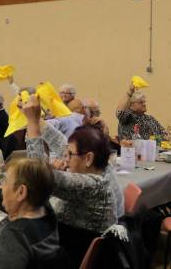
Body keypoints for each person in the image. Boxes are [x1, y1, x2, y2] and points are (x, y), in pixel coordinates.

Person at [22, 95, 123, 267]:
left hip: (71, 257)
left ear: (88, 158)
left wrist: (32, 123)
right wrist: (38, 119)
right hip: (68, 246)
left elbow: (35, 176)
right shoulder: (100, 168)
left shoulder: (93, 184)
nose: (66, 159)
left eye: (70, 155)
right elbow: (62, 143)